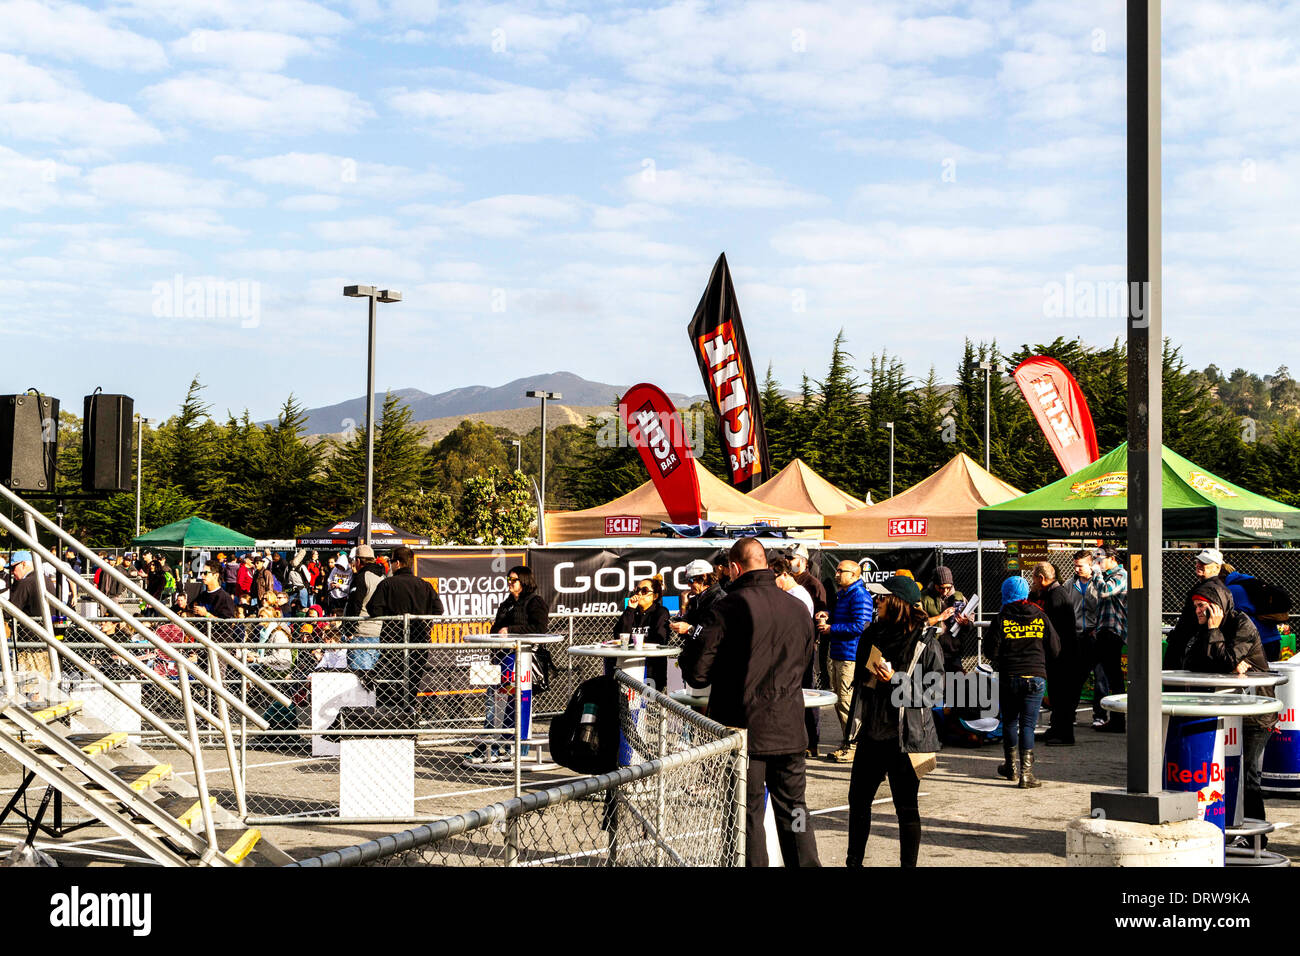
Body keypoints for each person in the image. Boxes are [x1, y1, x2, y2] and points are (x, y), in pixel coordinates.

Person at [679, 537, 820, 867]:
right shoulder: (797, 606)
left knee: (747, 815)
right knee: (794, 810)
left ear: (734, 568)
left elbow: (698, 674)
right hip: (787, 727)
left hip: (743, 730)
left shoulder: (726, 608)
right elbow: (803, 663)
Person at [1164, 577, 1275, 834]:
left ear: (1218, 605)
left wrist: (1215, 635)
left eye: (1203, 606)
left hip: (1251, 714)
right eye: (1195, 607)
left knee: (1247, 777)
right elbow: (1190, 660)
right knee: (1221, 775)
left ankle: (1254, 836)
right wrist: (1224, 660)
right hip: (1221, 711)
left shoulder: (1241, 625)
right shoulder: (1200, 627)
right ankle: (1224, 828)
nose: (1198, 612)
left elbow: (1223, 660)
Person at [845, 575, 943, 867]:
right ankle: (853, 862)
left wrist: (895, 681)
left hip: (906, 738)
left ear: (897, 602)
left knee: (907, 808)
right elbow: (861, 678)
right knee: (858, 801)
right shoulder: (872, 633)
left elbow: (934, 693)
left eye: (883, 598)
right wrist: (871, 677)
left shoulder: (926, 642)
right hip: (873, 733)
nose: (878, 602)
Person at [470, 566, 551, 764]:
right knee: (494, 703)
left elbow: (539, 628)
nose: (509, 583)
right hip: (502, 658)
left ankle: (510, 746)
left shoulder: (534, 602)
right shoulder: (507, 604)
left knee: (513, 704)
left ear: (524, 581)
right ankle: (493, 745)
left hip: (520, 660)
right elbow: (496, 628)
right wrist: (500, 634)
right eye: (508, 579)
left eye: (513, 580)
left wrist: (511, 630)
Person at [986, 575, 1060, 788]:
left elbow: (991, 651)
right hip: (1035, 675)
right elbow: (1055, 648)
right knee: (1028, 724)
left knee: (1009, 721)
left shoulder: (1001, 618)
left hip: (1010, 676)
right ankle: (1026, 775)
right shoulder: (1040, 615)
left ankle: (1011, 767)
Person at [366, 546, 444, 711]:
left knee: (389, 687)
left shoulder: (387, 584)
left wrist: (391, 611)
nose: (390, 565)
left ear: (398, 563)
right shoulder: (424, 585)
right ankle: (407, 717)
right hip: (419, 644)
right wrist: (422, 620)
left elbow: (373, 609)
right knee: (411, 687)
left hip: (393, 644)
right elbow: (439, 610)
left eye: (391, 561)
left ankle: (392, 721)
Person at [820, 558, 872, 763]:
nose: (836, 574)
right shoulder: (845, 594)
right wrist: (828, 615)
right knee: (841, 701)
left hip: (850, 657)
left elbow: (861, 626)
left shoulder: (859, 596)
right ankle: (848, 742)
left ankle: (854, 745)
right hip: (839, 654)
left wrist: (831, 628)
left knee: (846, 702)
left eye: (841, 571)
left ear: (854, 574)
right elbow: (845, 618)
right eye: (837, 570)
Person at [1031, 561, 1083, 746]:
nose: (1033, 583)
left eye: (1034, 579)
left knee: (1062, 696)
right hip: (1064, 654)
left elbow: (1053, 631)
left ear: (1041, 578)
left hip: (1063, 656)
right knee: (1059, 695)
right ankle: (1057, 729)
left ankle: (1064, 734)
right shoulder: (1058, 594)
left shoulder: (1055, 597)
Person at [772, 555, 820, 756]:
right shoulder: (790, 593)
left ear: (784, 574)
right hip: (792, 654)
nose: (772, 584)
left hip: (799, 654)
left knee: (804, 696)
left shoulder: (798, 595)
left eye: (774, 577)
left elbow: (795, 629)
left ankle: (810, 742)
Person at [1090, 546, 1128, 733]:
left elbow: (1105, 591)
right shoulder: (1106, 575)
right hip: (1103, 631)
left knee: (1114, 677)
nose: (1096, 563)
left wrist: (1096, 573)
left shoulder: (1121, 575)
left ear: (1112, 558)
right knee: (1104, 675)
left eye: (1099, 559)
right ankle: (1108, 716)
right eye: (1094, 559)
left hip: (1114, 632)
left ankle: (1118, 719)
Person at [612, 575, 672, 691]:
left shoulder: (660, 612)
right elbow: (620, 636)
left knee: (649, 706)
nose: (639, 594)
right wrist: (630, 609)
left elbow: (659, 640)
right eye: (637, 590)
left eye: (644, 591)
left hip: (651, 671)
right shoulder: (631, 612)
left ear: (655, 596)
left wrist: (635, 643)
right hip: (629, 667)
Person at [1070, 549, 1105, 727]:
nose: (1077, 569)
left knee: (1100, 678)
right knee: (1076, 676)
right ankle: (1071, 713)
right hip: (1078, 636)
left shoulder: (1100, 584)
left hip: (1095, 635)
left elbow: (1106, 608)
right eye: (1075, 566)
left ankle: (1099, 715)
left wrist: (1097, 627)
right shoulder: (1070, 584)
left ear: (1091, 565)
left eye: (1080, 566)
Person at [343, 545, 386, 685]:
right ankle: (366, 705)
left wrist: (349, 629)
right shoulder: (382, 577)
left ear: (359, 561)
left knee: (358, 681)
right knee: (368, 680)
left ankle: (360, 707)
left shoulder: (362, 577)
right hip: (377, 632)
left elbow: (354, 604)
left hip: (361, 633)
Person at [670, 560, 724, 636]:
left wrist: (690, 629)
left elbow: (713, 634)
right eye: (687, 581)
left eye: (691, 580)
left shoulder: (720, 600)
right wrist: (684, 606)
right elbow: (682, 628)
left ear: (704, 577)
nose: (688, 585)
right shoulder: (695, 600)